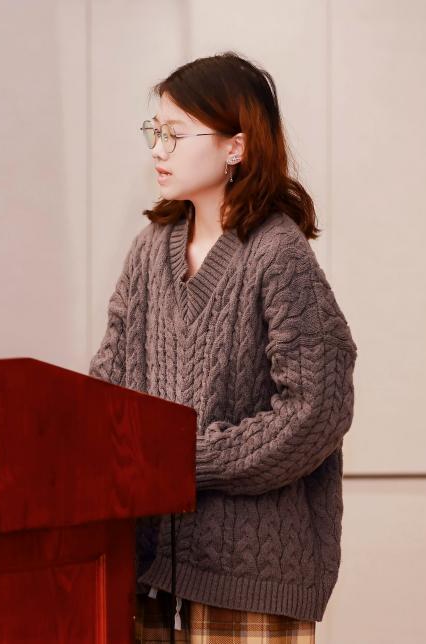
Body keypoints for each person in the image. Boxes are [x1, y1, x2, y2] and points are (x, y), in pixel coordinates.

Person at [88, 51, 358, 644]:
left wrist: (182, 460)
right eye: (154, 131)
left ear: (236, 147)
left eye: (175, 134)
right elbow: (107, 388)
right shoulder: (149, 249)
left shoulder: (278, 254)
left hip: (249, 576)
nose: (157, 149)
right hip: (145, 568)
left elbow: (316, 410)